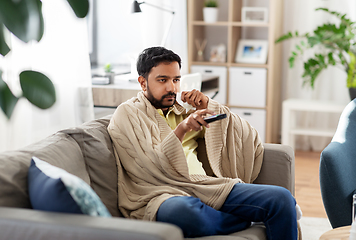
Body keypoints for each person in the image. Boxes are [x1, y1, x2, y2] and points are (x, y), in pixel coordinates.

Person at [108, 46, 299, 239]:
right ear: (143, 83)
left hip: (207, 187)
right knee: (182, 212)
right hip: (162, 194)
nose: (172, 88)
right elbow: (150, 165)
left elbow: (243, 135)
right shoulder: (128, 113)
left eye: (176, 80)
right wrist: (182, 129)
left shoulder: (184, 111)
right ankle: (245, 218)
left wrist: (209, 105)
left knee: (281, 199)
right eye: (162, 80)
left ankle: (235, 215)